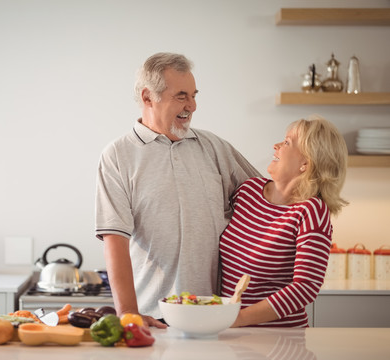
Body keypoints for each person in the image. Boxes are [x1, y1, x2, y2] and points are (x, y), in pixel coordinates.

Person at [94, 52, 260, 328]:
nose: (192, 106)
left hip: (215, 313)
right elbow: (115, 238)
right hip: (154, 315)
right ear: (148, 97)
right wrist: (128, 314)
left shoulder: (214, 147)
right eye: (181, 96)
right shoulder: (118, 155)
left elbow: (266, 200)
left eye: (194, 95)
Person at [220, 115, 348, 327]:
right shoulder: (247, 191)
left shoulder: (311, 211)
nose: (276, 146)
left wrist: (237, 318)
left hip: (279, 340)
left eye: (287, 143)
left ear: (305, 163)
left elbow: (305, 287)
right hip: (231, 332)